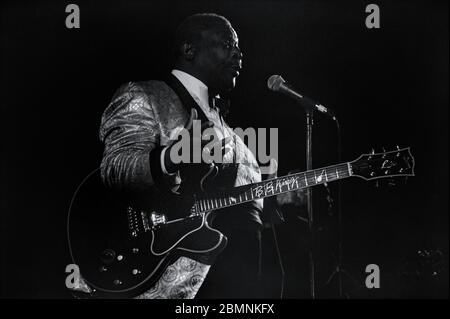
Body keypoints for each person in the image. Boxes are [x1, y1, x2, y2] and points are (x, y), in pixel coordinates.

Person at [98, 13, 264, 298]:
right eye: (226, 44)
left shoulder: (238, 141)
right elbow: (115, 169)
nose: (238, 54)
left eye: (238, 48)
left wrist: (285, 196)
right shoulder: (144, 95)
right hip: (155, 279)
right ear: (189, 50)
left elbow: (241, 209)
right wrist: (173, 155)